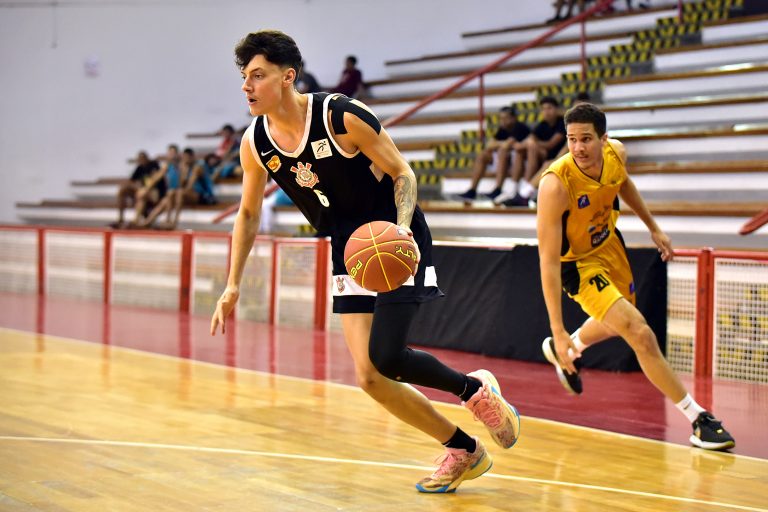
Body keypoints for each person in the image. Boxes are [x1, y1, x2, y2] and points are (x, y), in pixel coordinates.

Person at [210, 30, 521, 493]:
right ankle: (464, 450)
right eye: (244, 77)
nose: (246, 86)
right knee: (370, 378)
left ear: (288, 77)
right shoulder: (255, 142)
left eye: (257, 75)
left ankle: (474, 392)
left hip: (394, 234)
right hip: (348, 247)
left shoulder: (340, 116)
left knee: (388, 356)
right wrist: (233, 282)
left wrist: (401, 229)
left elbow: (402, 172)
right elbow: (249, 213)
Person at [536, 102, 735, 451]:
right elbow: (548, 261)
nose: (578, 147)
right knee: (638, 332)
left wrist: (653, 227)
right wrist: (557, 328)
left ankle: (570, 349)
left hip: (610, 245)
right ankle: (699, 418)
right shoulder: (555, 185)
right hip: (579, 263)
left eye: (586, 139)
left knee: (616, 323)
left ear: (604, 139)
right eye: (572, 139)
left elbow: (622, 183)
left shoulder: (616, 154)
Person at [502, 92, 591, 208]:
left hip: (588, 163)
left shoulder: (590, 126)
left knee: (549, 163)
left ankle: (524, 194)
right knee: (543, 160)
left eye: (582, 109)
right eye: (577, 109)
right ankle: (525, 193)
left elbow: (558, 146)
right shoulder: (572, 126)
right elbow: (566, 148)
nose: (579, 113)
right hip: (570, 160)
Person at [499, 96, 566, 207]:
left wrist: (532, 143)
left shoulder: (562, 123)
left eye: (549, 108)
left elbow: (551, 144)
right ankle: (514, 189)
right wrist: (523, 144)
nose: (546, 112)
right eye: (543, 109)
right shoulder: (542, 124)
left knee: (532, 147)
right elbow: (529, 139)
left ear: (556, 109)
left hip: (554, 158)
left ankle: (524, 192)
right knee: (521, 151)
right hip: (544, 157)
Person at [454, 106, 531, 202]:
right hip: (506, 159)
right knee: (483, 155)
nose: (502, 121)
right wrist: (501, 143)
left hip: (520, 161)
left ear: (513, 118)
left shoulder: (520, 127)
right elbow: (489, 145)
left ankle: (498, 189)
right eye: (501, 118)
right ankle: (472, 190)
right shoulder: (503, 129)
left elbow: (506, 146)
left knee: (502, 152)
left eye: (505, 118)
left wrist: (499, 144)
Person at [111, 150, 165, 228]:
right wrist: (136, 187)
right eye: (139, 159)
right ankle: (120, 219)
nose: (141, 161)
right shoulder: (140, 167)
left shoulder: (154, 165)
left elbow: (155, 180)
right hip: (142, 191)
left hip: (155, 193)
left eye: (142, 158)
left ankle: (135, 221)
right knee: (122, 190)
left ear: (147, 158)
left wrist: (144, 189)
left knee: (142, 194)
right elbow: (131, 181)